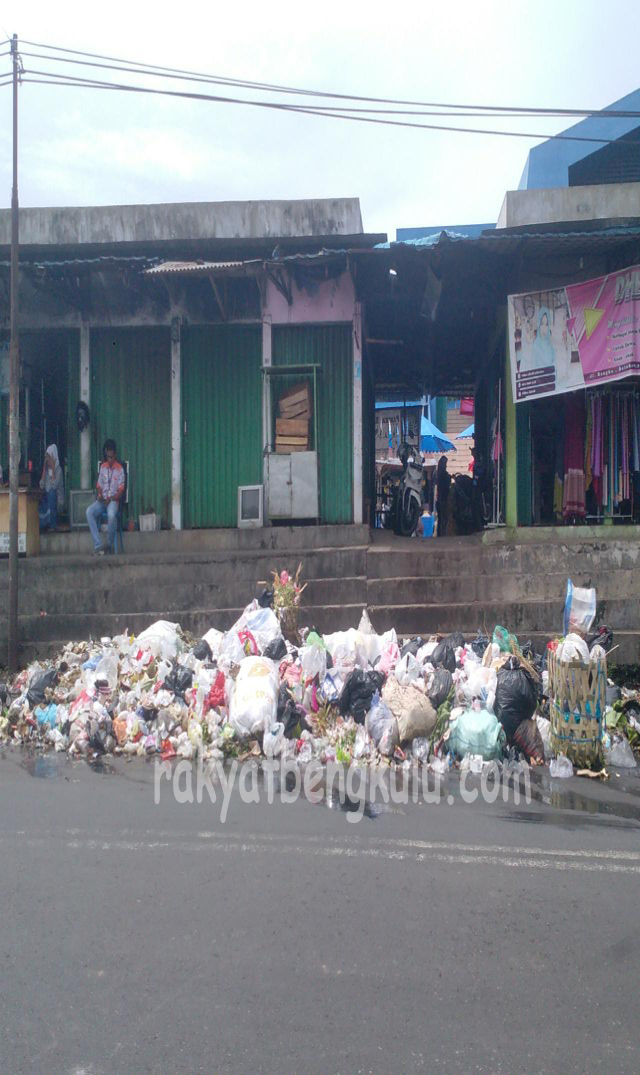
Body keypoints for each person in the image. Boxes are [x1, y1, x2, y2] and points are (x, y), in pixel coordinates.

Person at [86, 439, 125, 555]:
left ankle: (109, 544)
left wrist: (111, 498)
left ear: (115, 455)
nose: (110, 460)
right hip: (102, 501)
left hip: (113, 501)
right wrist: (100, 495)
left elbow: (121, 491)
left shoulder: (120, 469)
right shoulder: (103, 467)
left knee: (112, 515)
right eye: (108, 457)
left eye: (112, 457)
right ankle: (98, 545)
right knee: (89, 512)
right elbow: (99, 485)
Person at [39, 444, 64, 531]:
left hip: (57, 501)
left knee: (52, 493)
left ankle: (52, 525)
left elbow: (54, 486)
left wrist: (53, 469)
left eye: (49, 459)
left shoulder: (59, 470)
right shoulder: (46, 471)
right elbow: (42, 486)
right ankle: (44, 523)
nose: (48, 461)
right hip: (48, 500)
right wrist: (44, 469)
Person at [436, 455, 451, 537]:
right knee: (444, 517)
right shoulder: (443, 474)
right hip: (443, 498)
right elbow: (445, 484)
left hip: (440, 498)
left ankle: (441, 533)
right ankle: (443, 534)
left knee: (441, 518)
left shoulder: (439, 473)